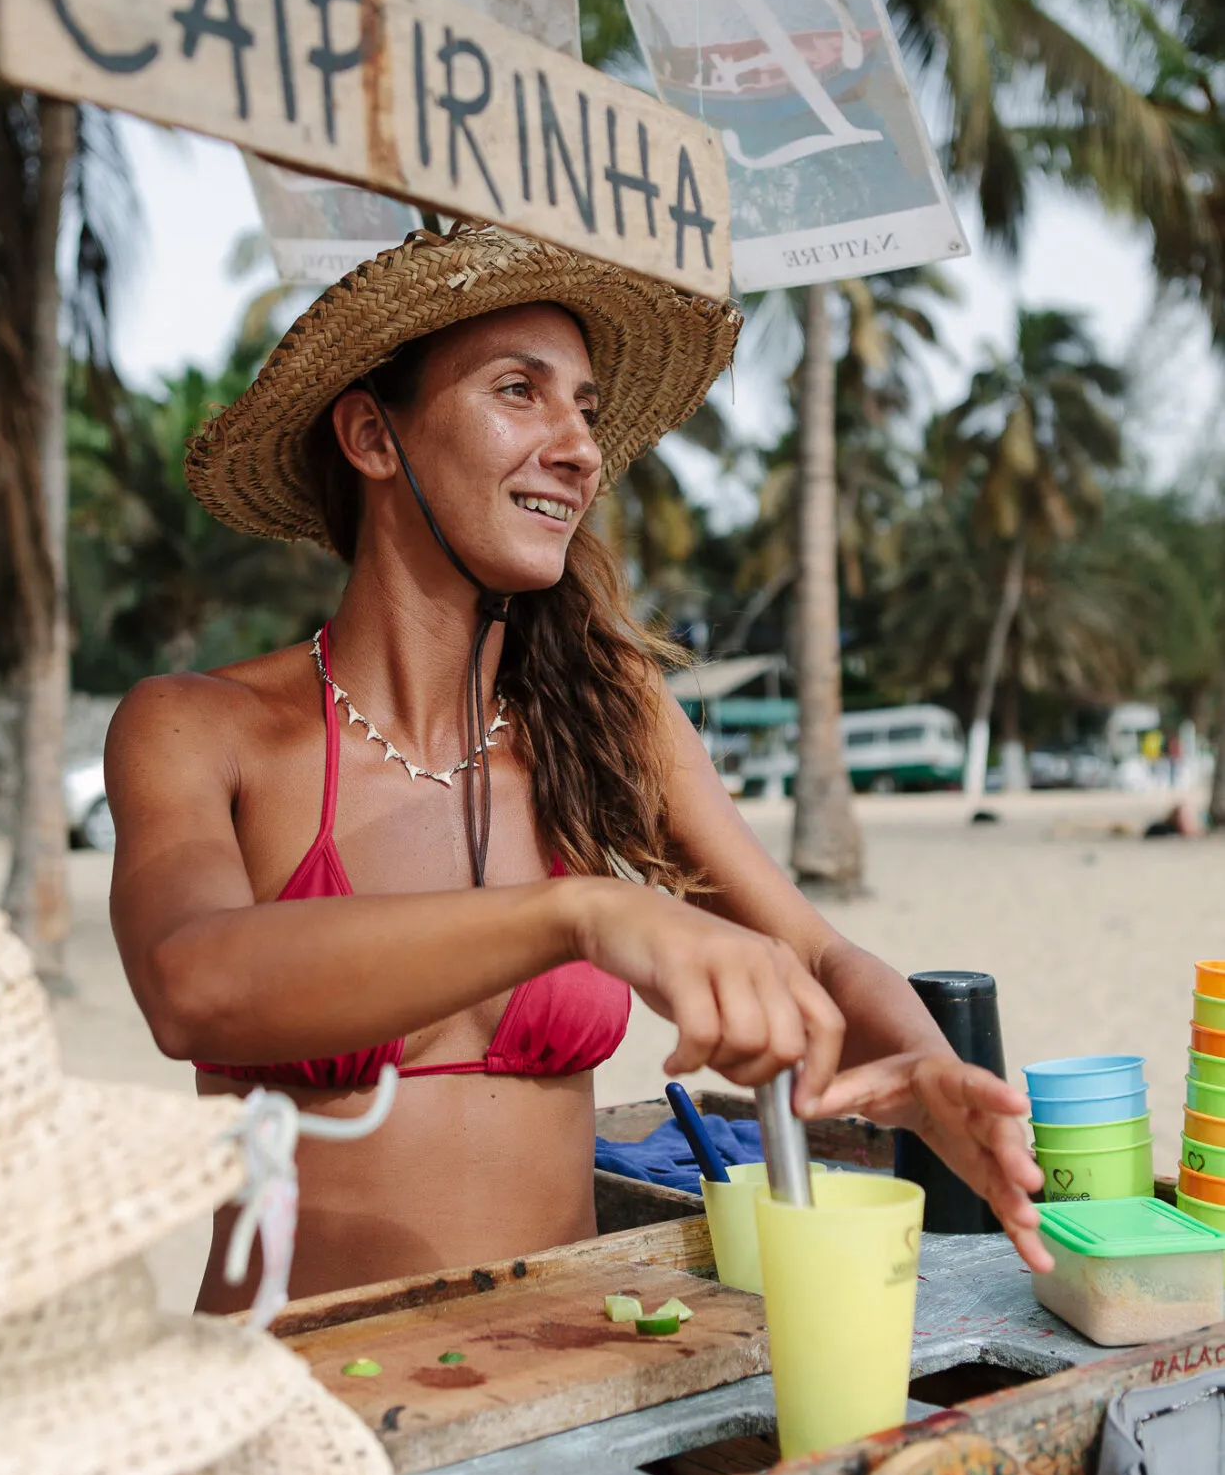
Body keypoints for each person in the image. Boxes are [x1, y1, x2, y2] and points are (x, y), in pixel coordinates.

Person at [106, 225, 1047, 1310]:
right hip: (296, 1405)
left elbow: (822, 956)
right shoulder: (196, 725)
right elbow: (195, 983)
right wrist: (580, 913)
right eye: (520, 391)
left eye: (588, 411)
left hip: (561, 1380)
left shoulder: (603, 717)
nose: (580, 447)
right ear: (372, 435)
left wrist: (927, 1070)